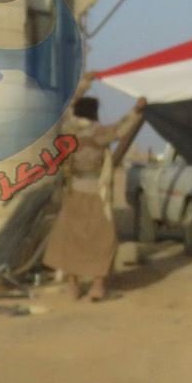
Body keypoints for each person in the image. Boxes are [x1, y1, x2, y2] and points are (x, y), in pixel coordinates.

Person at [43, 85, 146, 302]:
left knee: (69, 239)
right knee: (103, 240)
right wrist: (137, 109)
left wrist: (82, 87)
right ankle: (97, 286)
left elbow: (63, 110)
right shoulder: (100, 133)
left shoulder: (68, 129)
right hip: (96, 194)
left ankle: (73, 285)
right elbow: (122, 128)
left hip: (74, 192)